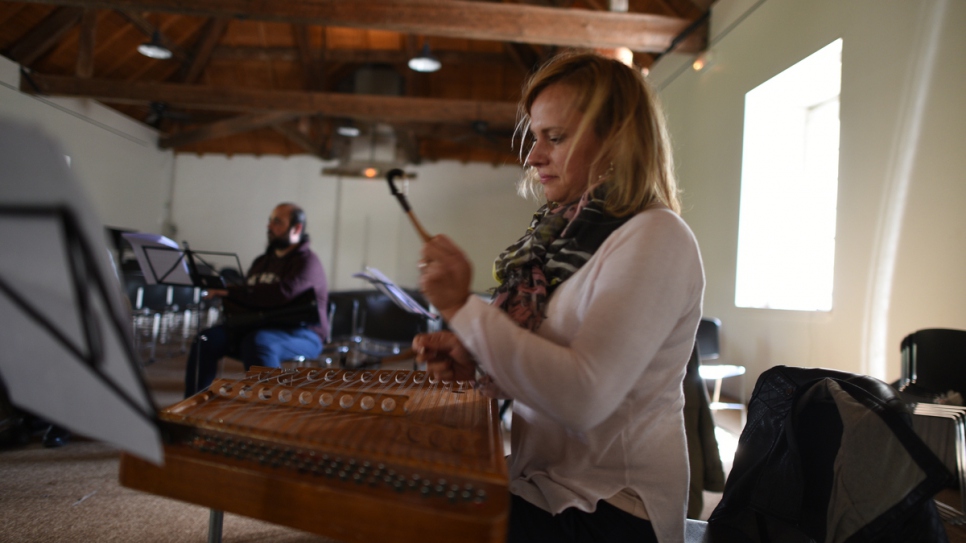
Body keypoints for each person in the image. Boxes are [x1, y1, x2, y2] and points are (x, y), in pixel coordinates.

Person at [413, 52, 704, 543]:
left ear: (618, 139)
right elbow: (549, 368)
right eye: (535, 136)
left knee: (409, 515)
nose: (532, 156)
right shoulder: (563, 240)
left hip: (613, 508)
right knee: (399, 485)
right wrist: (484, 369)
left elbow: (582, 396)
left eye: (556, 137)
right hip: (545, 480)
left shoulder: (657, 235)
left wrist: (463, 309)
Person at [184, 203, 329, 397]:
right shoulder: (261, 262)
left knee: (259, 342)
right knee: (205, 340)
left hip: (303, 333)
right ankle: (193, 405)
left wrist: (230, 292)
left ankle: (270, 411)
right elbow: (249, 296)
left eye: (277, 221)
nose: (269, 226)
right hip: (257, 326)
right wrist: (226, 296)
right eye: (270, 220)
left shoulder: (308, 262)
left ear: (297, 228)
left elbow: (282, 294)